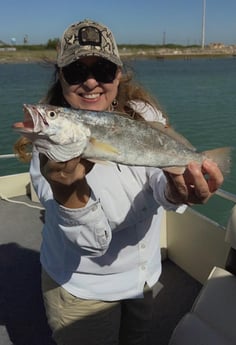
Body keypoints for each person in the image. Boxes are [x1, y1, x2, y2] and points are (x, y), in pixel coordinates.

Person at [14, 19, 224, 345]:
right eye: (76, 71)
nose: (91, 81)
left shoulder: (144, 115)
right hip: (83, 290)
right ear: (61, 77)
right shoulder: (48, 153)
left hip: (142, 279)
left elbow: (160, 184)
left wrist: (178, 190)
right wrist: (68, 188)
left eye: (103, 68)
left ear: (119, 73)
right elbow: (91, 243)